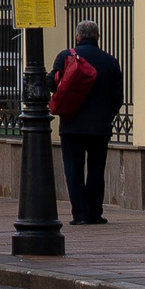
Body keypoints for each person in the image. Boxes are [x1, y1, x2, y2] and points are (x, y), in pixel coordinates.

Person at [52, 19, 126, 225]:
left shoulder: (66, 56)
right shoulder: (110, 61)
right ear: (98, 37)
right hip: (99, 127)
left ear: (77, 36)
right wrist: (106, 115)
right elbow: (118, 96)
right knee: (96, 169)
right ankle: (95, 212)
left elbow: (52, 83)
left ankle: (80, 214)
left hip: (71, 124)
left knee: (73, 170)